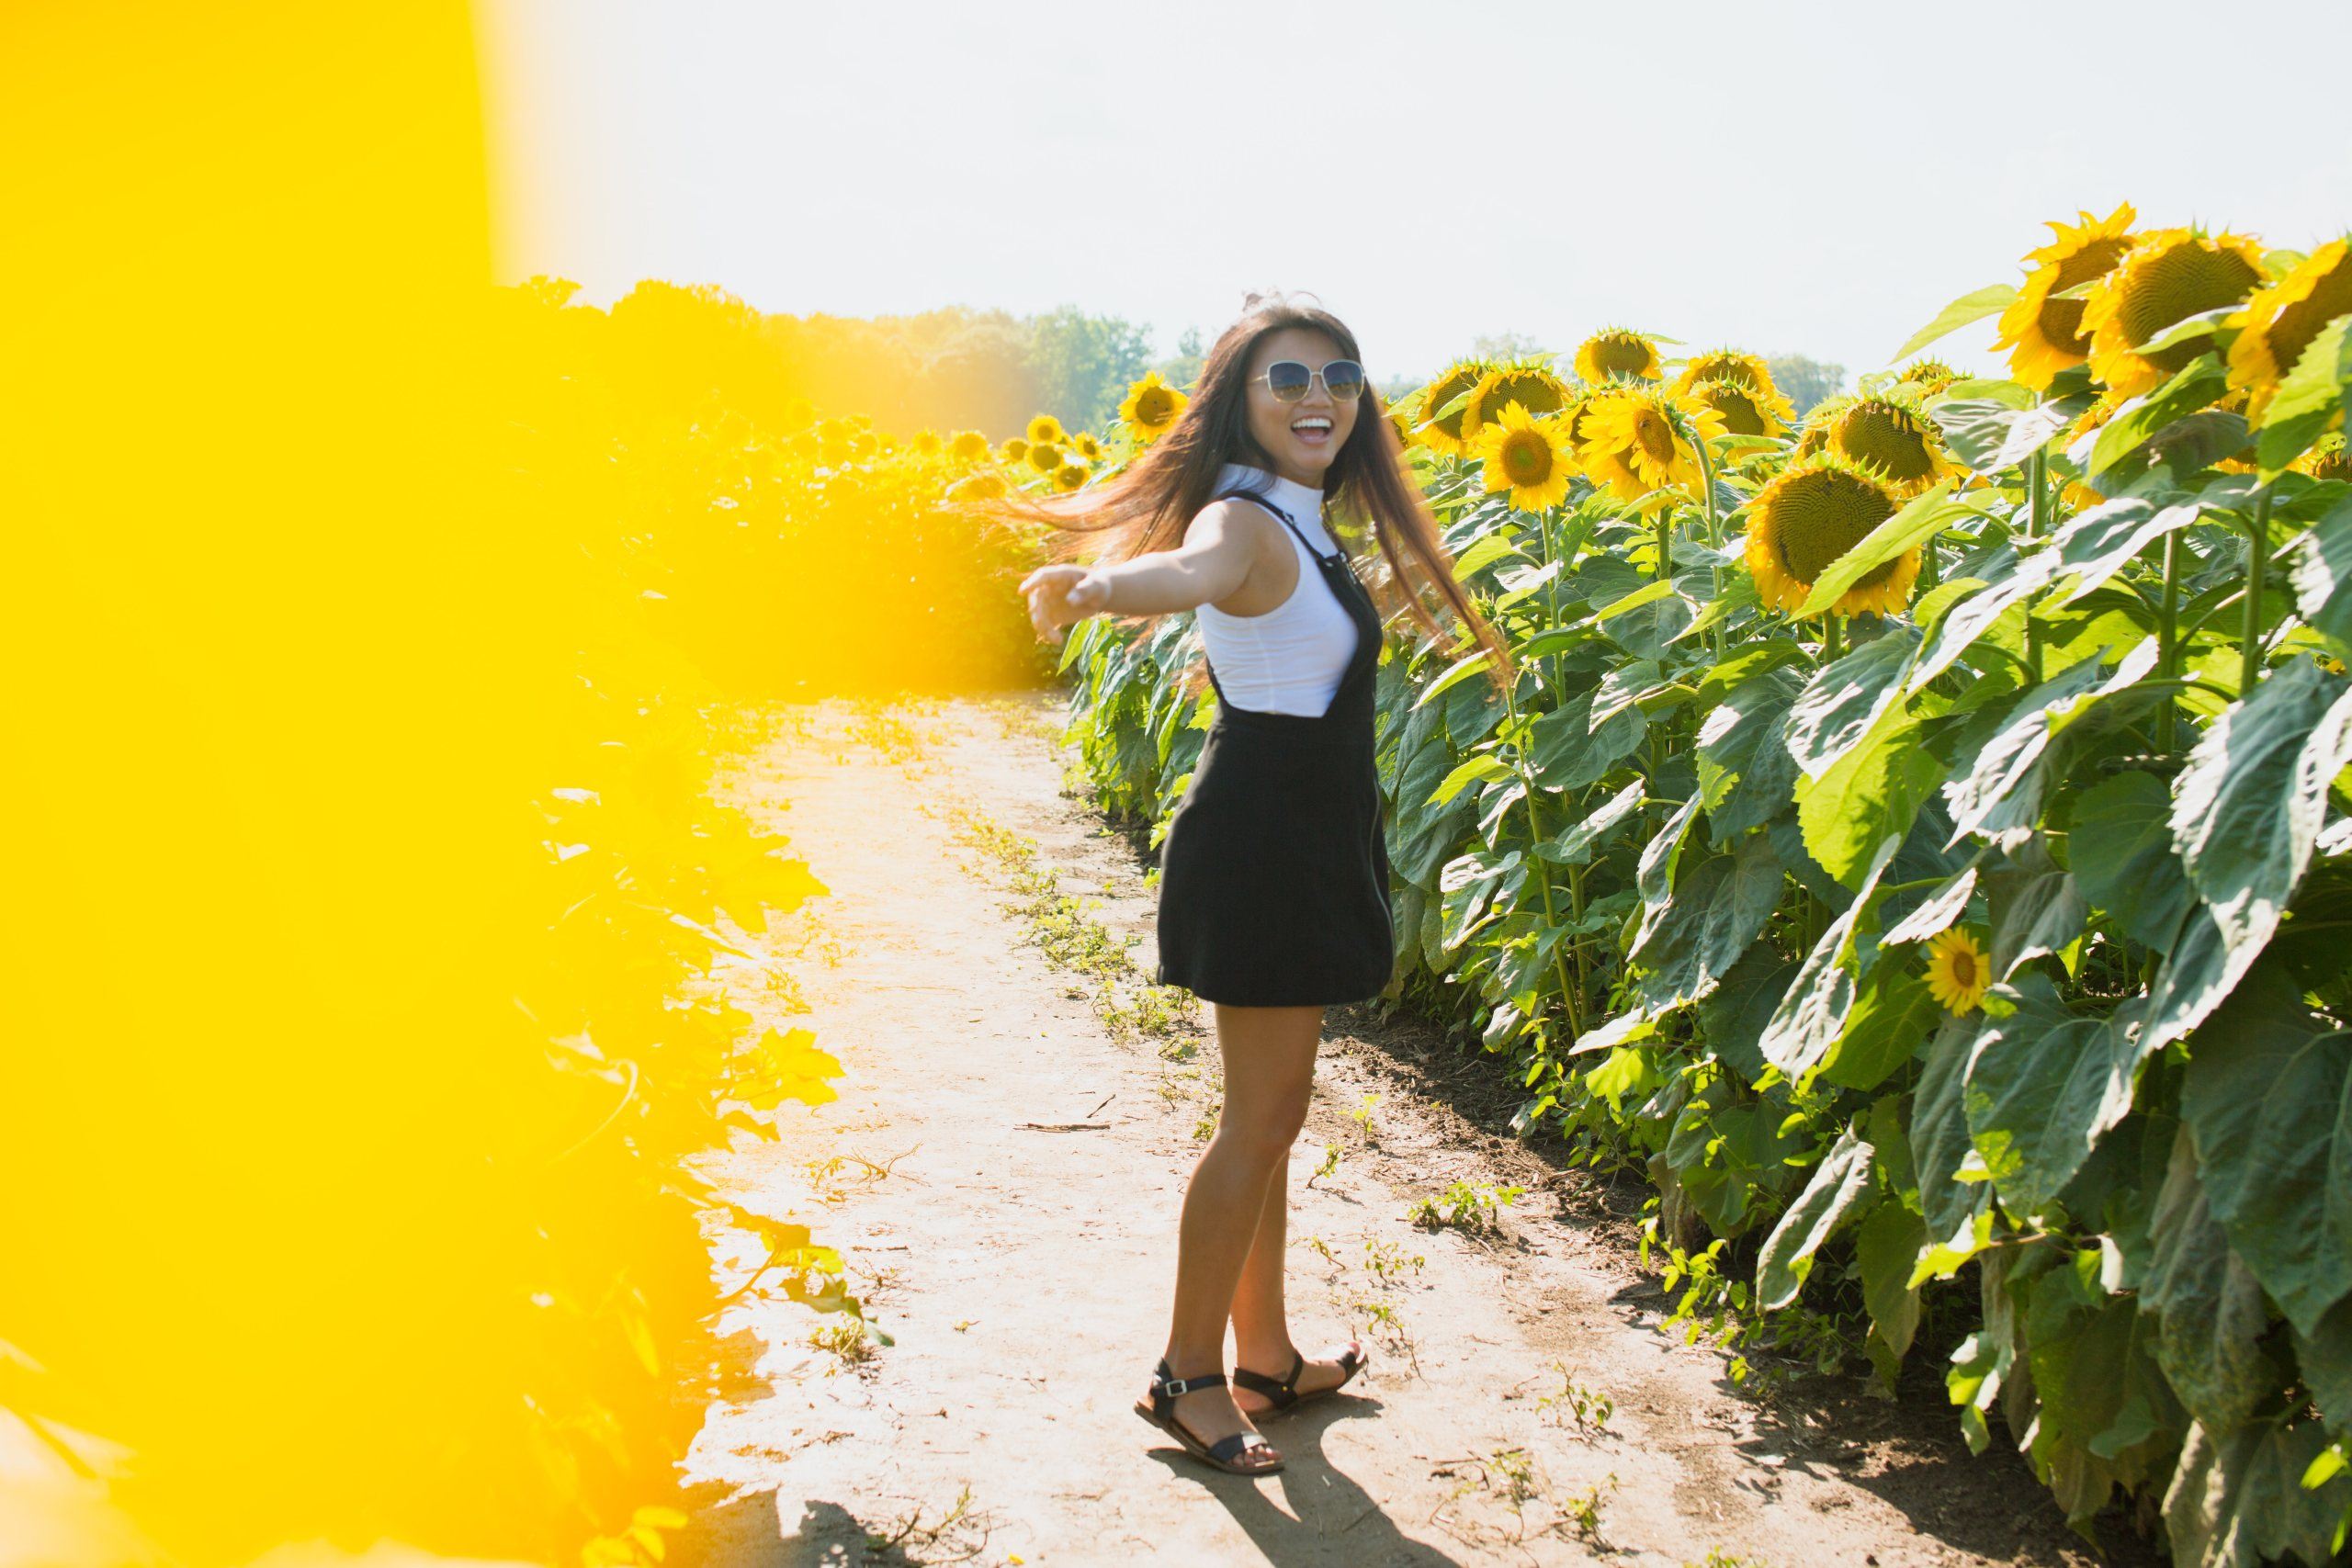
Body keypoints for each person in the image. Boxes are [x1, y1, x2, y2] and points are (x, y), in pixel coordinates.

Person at [1009, 293, 1510, 1478]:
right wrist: (1096, 589)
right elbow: (1189, 571)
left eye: (1338, 374)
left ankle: (1266, 1357)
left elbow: (1283, 634)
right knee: (1260, 1124)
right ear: (1241, 399)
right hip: (1264, 853)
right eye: (1288, 378)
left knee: (1274, 1123)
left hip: (1295, 841)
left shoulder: (1307, 525)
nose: (1319, 395)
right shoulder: (1244, 519)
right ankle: (1187, 1376)